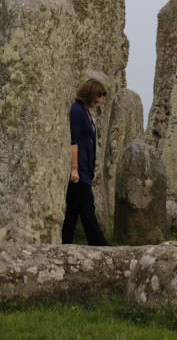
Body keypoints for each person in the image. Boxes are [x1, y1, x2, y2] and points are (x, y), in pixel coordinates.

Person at [62, 78, 108, 246]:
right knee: (88, 210)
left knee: (73, 211)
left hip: (85, 168)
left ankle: (65, 243)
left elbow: (89, 141)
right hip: (78, 169)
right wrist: (74, 169)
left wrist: (92, 168)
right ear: (90, 94)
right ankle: (101, 247)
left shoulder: (85, 111)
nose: (99, 100)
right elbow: (73, 141)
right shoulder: (76, 110)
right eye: (98, 96)